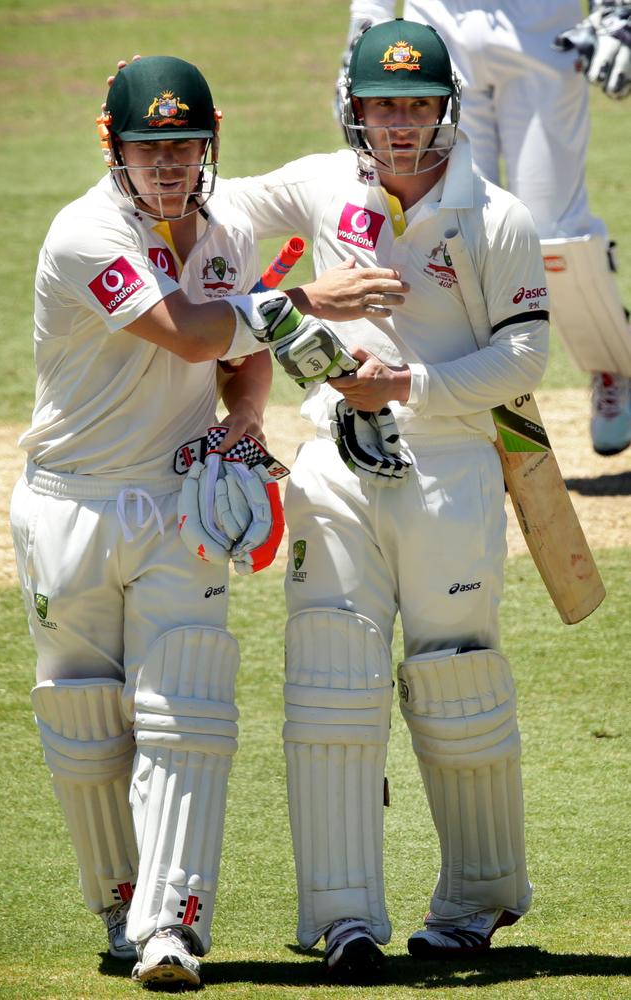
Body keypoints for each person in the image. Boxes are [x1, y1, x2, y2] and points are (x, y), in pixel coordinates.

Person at [9, 54, 408, 991]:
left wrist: (247, 412)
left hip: (176, 499)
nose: (171, 164)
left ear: (208, 143)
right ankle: (120, 903)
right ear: (114, 147)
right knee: (83, 719)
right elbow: (194, 330)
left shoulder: (220, 232)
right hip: (69, 501)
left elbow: (236, 350)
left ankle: (172, 927)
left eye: (186, 144)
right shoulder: (85, 235)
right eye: (151, 147)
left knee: (186, 708)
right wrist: (309, 299)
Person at [220, 18, 549, 981]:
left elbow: (527, 354)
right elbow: (209, 205)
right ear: (353, 107)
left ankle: (478, 901)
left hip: (451, 465)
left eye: (416, 105)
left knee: (455, 680)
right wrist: (146, 135)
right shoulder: (324, 183)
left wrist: (403, 387)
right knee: (329, 678)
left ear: (447, 108)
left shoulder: (495, 216)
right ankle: (342, 916)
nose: (399, 126)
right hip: (334, 462)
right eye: (381, 105)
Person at [335, 1, 631, 457]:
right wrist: (367, 19)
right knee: (448, 212)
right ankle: (455, 396)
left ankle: (611, 366)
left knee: (555, 236)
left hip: (542, 26)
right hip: (437, 27)